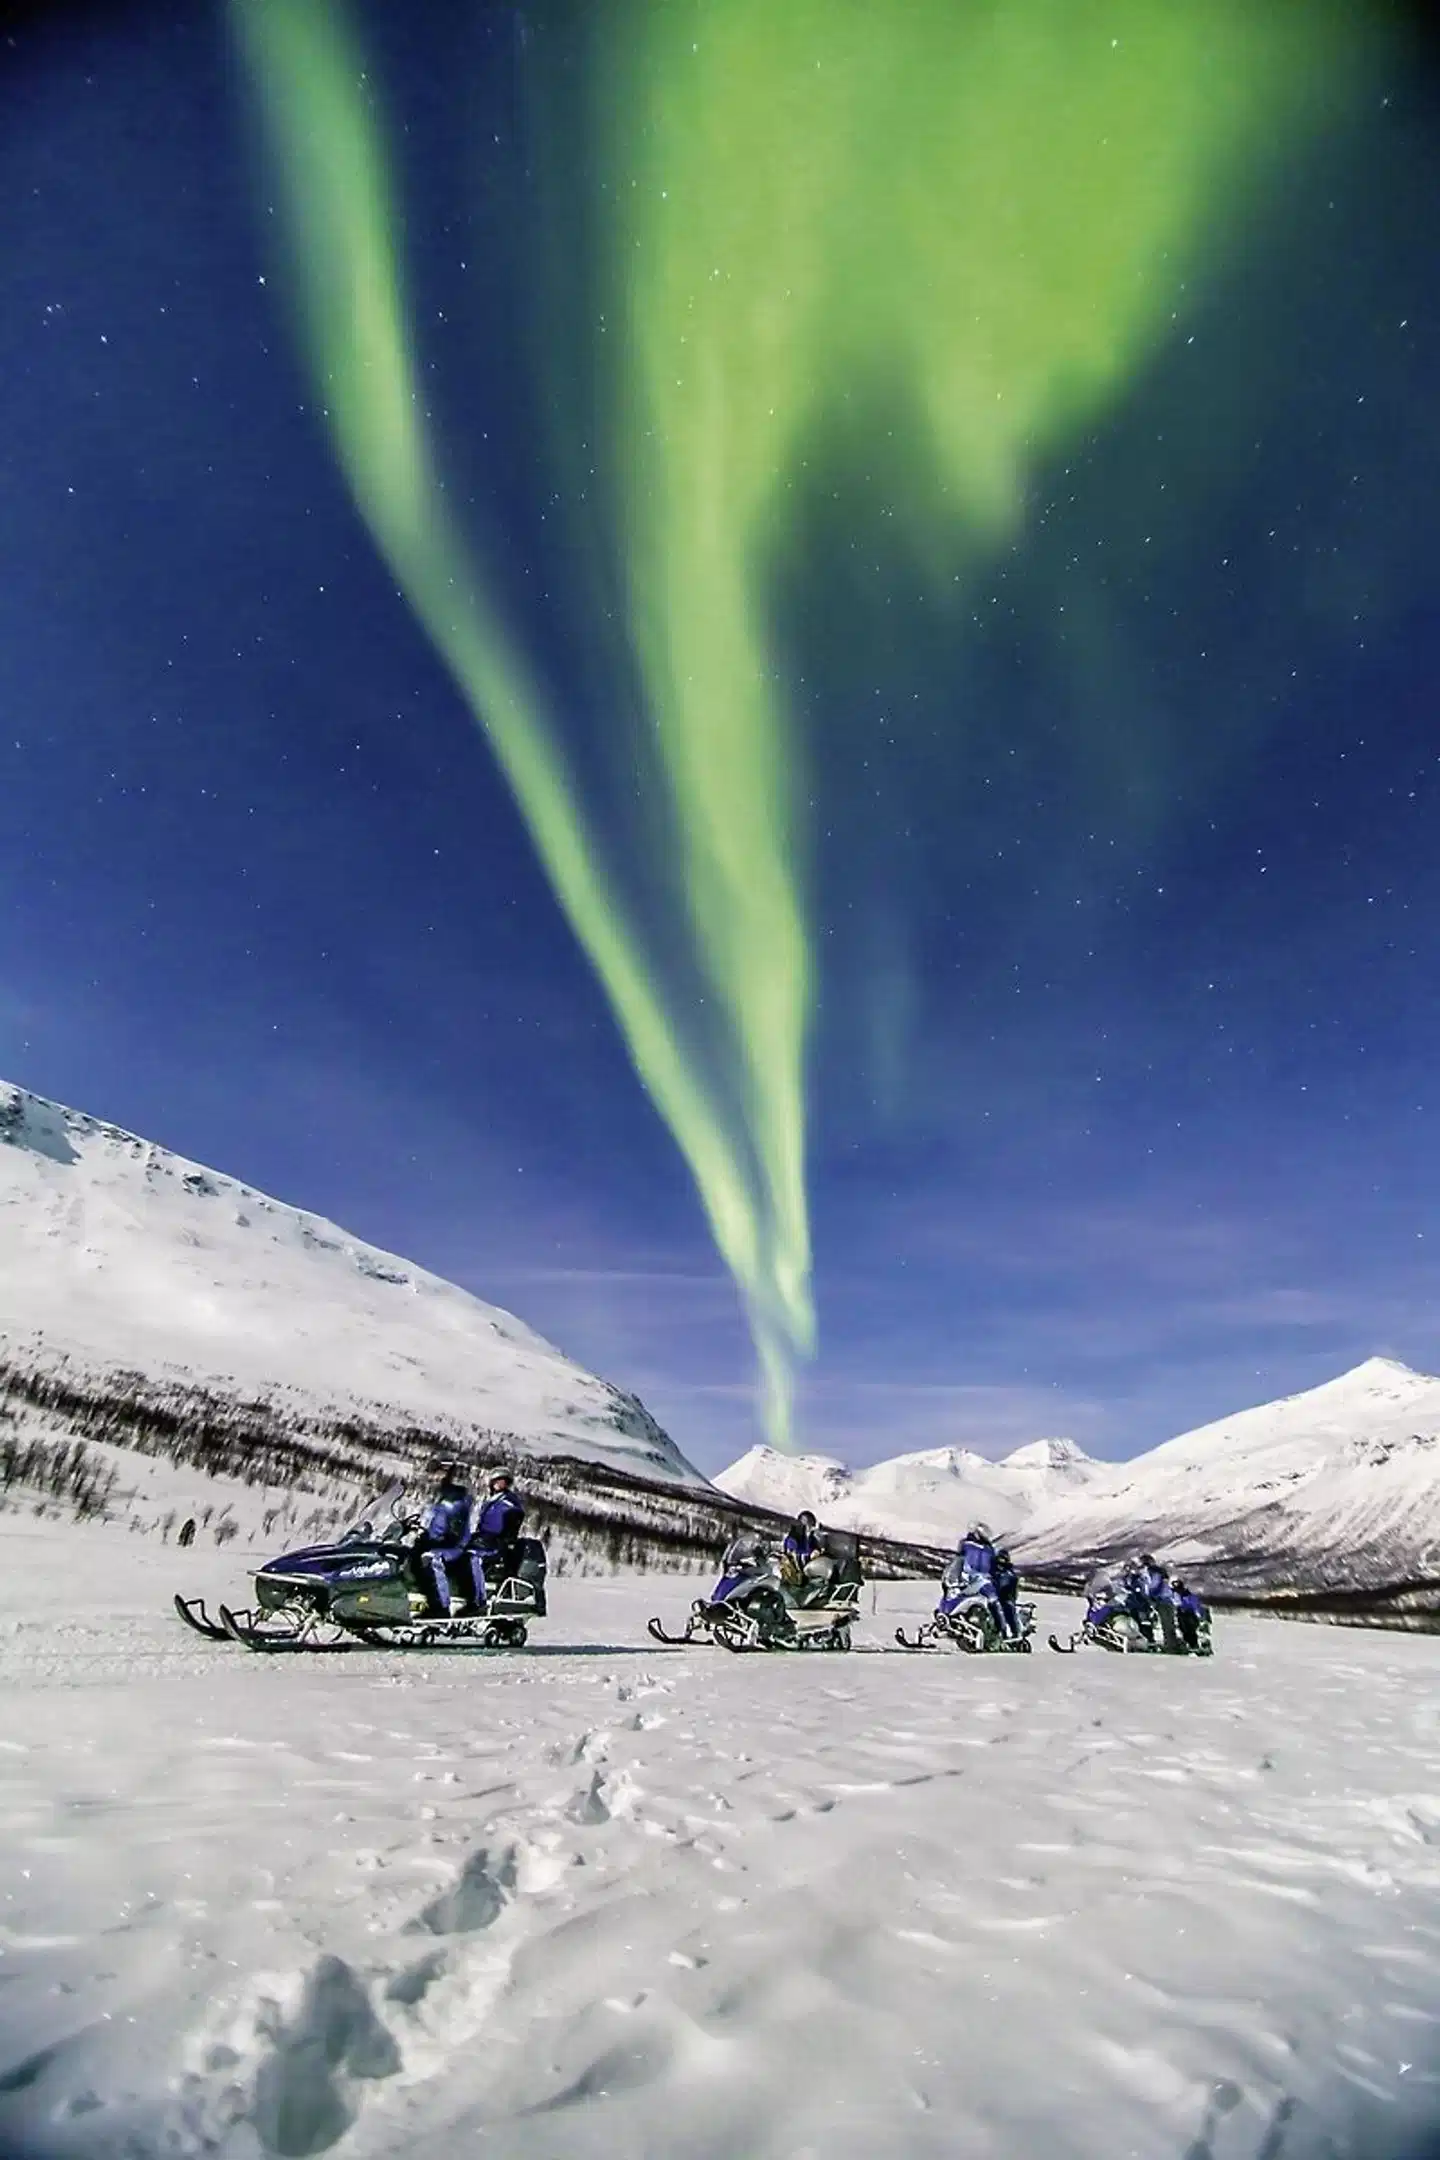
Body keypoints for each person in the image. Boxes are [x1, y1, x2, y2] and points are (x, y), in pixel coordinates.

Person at [418, 1464, 483, 1617]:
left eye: (444, 1474)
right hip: (442, 1542)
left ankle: (441, 1607)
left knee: (432, 1559)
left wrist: (438, 1540)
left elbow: (455, 1529)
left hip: (454, 1546)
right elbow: (433, 1523)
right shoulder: (444, 1498)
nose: (439, 1477)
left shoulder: (457, 1501)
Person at [470, 1469, 526, 1591]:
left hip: (495, 1540)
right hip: (484, 1537)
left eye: (503, 1482)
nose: (499, 1485)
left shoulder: (508, 1500)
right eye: (497, 1481)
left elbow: (516, 1517)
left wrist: (508, 1538)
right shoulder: (492, 1500)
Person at [1172, 1579, 1210, 1653]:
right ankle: (1191, 1644)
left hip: (1191, 1613)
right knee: (1184, 1629)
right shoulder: (1176, 1592)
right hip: (1182, 1612)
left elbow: (1194, 1603)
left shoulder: (1189, 1593)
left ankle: (1198, 1645)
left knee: (1193, 1629)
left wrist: (1198, 1612)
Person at [992, 1547, 1021, 1640]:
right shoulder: (992, 1571)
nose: (1001, 1562)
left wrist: (1006, 1593)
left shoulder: (1009, 1574)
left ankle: (1014, 1633)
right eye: (999, 1559)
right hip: (992, 1596)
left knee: (1007, 1609)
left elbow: (1010, 1585)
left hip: (1006, 1597)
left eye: (1003, 1560)